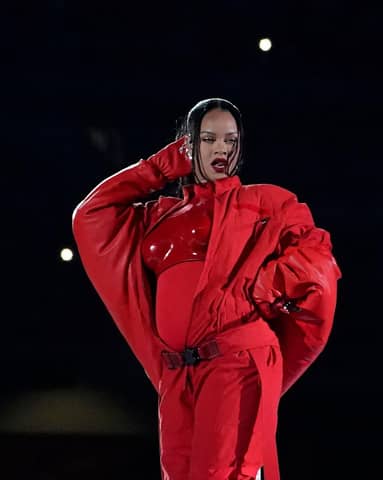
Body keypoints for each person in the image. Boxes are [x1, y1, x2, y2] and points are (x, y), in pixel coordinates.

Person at [71, 98, 341, 480]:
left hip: (236, 361)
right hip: (178, 373)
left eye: (231, 141)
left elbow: (318, 261)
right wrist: (159, 167)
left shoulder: (267, 202)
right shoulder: (157, 214)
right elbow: (91, 215)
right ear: (187, 145)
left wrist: (263, 286)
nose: (221, 150)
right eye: (208, 139)